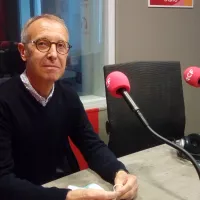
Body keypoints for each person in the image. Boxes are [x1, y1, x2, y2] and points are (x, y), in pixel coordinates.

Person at [0, 14, 138, 200]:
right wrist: (67, 197)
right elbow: (3, 181)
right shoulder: (4, 100)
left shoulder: (68, 96)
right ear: (23, 51)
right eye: (42, 43)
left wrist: (119, 172)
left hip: (65, 183)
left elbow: (92, 145)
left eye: (61, 46)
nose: (53, 54)